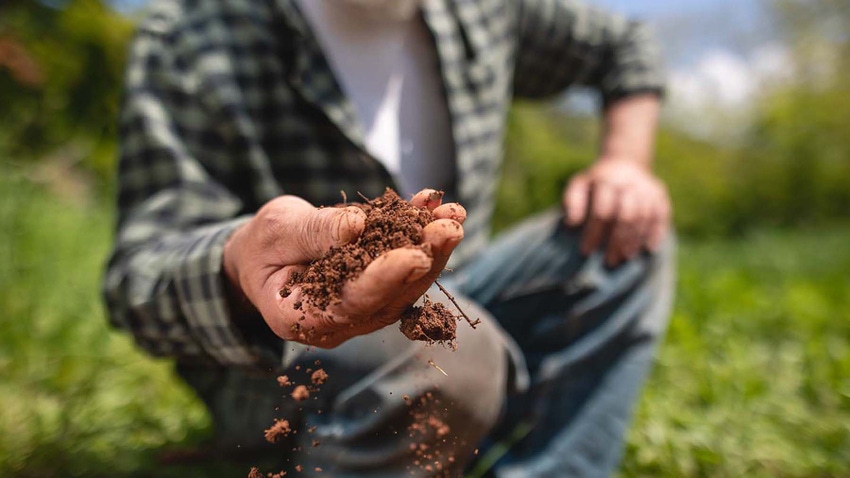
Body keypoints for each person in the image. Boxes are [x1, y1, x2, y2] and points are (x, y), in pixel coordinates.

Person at [103, 0, 674, 476]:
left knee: (626, 237)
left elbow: (624, 45)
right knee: (452, 355)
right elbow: (138, 277)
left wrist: (625, 162)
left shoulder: (481, 11)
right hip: (287, 361)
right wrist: (238, 261)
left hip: (463, 289)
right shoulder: (192, 35)